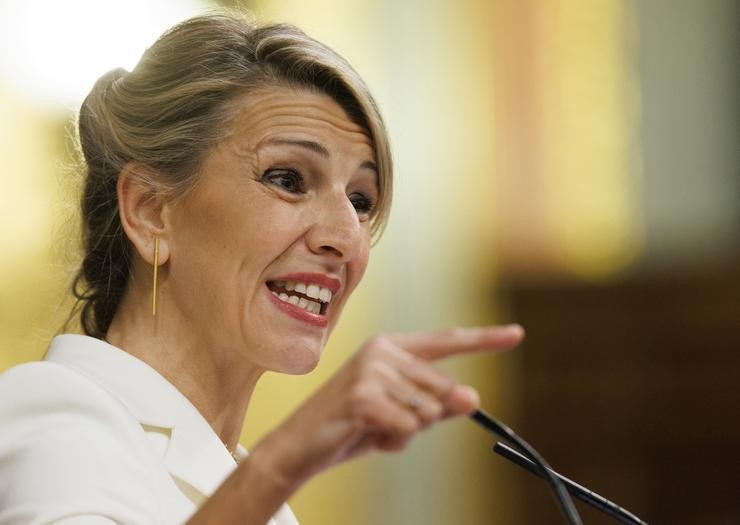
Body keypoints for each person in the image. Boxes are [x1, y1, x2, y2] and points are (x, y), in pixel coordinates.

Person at [0, 13, 523, 525]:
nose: (345, 239)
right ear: (150, 209)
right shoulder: (52, 409)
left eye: (361, 201)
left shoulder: (249, 486)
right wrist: (287, 458)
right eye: (289, 179)